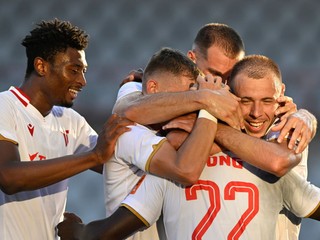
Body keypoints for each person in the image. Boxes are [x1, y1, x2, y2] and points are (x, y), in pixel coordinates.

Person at [57, 54, 320, 240]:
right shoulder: (270, 170)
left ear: (281, 95)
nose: (256, 113)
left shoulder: (171, 167)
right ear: (229, 97)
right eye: (246, 101)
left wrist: (77, 232)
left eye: (266, 101)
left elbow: (107, 232)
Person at [114, 23, 317, 240]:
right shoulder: (149, 89)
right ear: (193, 60)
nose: (226, 84)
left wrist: (307, 117)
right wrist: (204, 101)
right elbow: (128, 111)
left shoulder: (272, 113)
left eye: (234, 73)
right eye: (216, 74)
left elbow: (277, 160)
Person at [0, 18, 133, 240]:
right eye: (74, 70)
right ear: (41, 66)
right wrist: (94, 156)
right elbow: (8, 177)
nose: (83, 81)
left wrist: (135, 96)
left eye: (84, 71)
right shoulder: (5, 106)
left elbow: (115, 161)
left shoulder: (70, 120)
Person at [103, 47, 243, 239]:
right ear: (153, 88)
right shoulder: (128, 131)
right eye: (187, 93)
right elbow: (186, 170)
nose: (190, 103)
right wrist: (207, 103)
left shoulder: (178, 124)